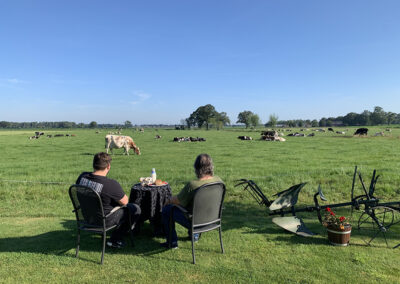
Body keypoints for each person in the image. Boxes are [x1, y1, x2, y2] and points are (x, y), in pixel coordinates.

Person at [76, 152, 141, 248]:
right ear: (108, 166)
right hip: (104, 220)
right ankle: (115, 239)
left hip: (86, 218)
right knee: (134, 209)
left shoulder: (82, 177)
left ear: (94, 164)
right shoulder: (110, 184)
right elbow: (125, 202)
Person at [161, 153, 223, 249]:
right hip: (213, 220)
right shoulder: (219, 181)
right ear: (211, 166)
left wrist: (168, 201)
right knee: (197, 207)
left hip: (196, 222)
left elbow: (178, 201)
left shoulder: (192, 185)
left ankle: (172, 243)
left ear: (196, 168)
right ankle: (194, 236)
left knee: (167, 210)